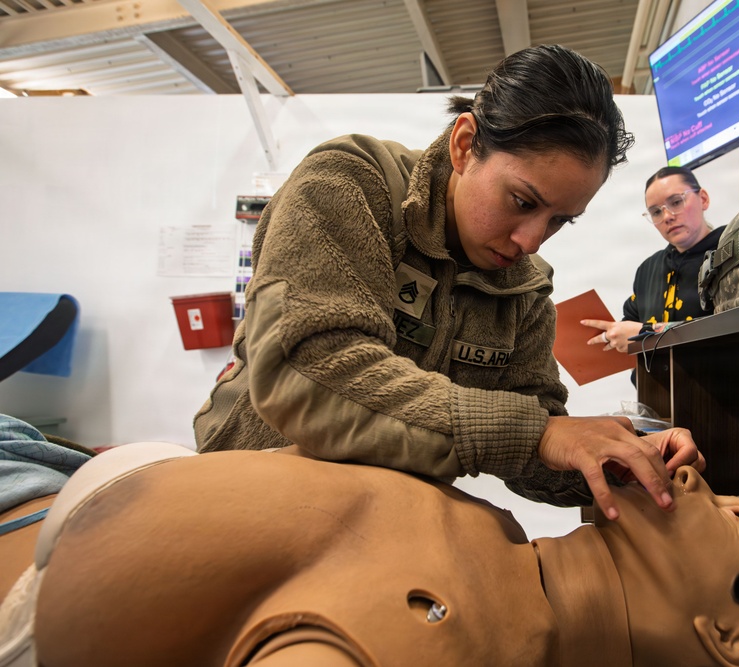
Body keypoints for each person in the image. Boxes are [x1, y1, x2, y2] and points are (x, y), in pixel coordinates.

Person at [192, 44, 703, 522]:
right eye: (523, 202)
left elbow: (538, 438)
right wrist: (537, 433)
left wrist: (620, 454)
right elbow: (309, 377)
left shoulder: (523, 288)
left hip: (383, 520)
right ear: (464, 145)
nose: (532, 240)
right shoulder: (348, 185)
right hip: (250, 505)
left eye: (558, 221)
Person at [9, 441, 739, 667]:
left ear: (732, 640)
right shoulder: (509, 561)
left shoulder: (477, 635)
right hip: (63, 468)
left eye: (736, 514)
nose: (690, 471)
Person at [583, 166, 723, 358]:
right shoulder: (648, 269)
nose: (667, 217)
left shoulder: (730, 250)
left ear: (703, 199)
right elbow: (630, 325)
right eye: (656, 212)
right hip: (655, 386)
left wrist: (646, 333)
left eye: (676, 202)